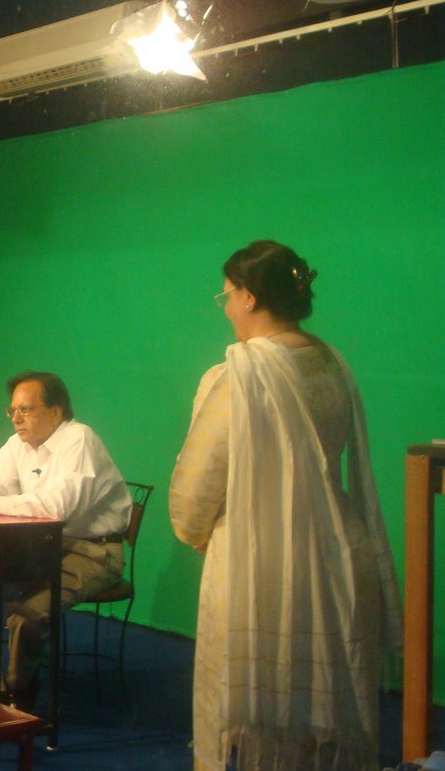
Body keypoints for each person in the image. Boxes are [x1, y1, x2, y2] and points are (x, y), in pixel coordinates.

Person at [170, 240, 399, 770]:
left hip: (260, 553)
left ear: (249, 297)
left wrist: (193, 529)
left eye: (227, 296)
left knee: (262, 713)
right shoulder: (330, 362)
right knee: (325, 706)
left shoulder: (240, 374)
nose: (226, 308)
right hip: (338, 547)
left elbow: (201, 477)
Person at [0, 371, 131, 707]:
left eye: (26, 409)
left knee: (27, 614)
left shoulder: (79, 440)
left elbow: (57, 508)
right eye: (13, 410)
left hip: (94, 552)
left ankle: (19, 695)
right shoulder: (17, 444)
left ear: (56, 411)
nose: (16, 418)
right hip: (42, 548)